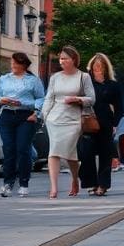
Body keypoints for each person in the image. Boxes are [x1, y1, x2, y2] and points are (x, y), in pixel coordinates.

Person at [43, 46, 95, 199]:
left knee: (70, 154)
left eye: (65, 58)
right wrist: (45, 115)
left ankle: (75, 179)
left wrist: (77, 99)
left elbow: (92, 98)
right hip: (54, 118)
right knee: (53, 152)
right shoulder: (55, 77)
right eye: (61, 58)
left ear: (74, 59)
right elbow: (49, 97)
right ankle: (54, 188)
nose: (62, 61)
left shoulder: (83, 77)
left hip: (73, 119)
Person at [0, 52, 45, 198]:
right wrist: (2, 100)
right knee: (9, 149)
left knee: (23, 149)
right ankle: (8, 183)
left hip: (26, 116)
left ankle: (24, 183)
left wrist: (34, 113)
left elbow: (41, 98)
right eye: (12, 63)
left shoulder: (33, 80)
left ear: (23, 64)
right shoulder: (3, 79)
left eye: (16, 63)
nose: (13, 66)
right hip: (7, 115)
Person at [78, 53, 123, 196]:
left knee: (105, 154)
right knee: (86, 153)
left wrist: (115, 123)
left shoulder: (113, 85)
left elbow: (119, 106)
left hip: (106, 121)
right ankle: (91, 182)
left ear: (105, 68)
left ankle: (103, 185)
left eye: (100, 66)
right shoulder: (85, 83)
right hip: (88, 121)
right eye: (95, 66)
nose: (97, 69)